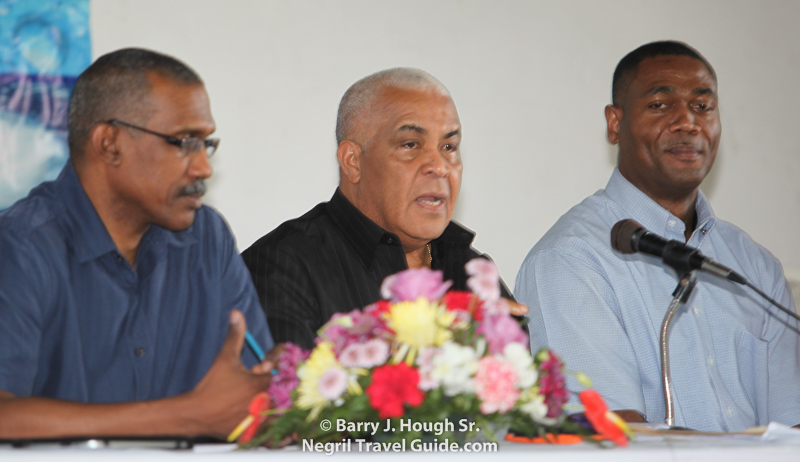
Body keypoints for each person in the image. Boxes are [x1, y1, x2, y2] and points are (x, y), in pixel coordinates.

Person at [515, 41, 800, 432]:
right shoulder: (570, 259)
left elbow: (791, 428)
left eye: (703, 106)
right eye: (660, 104)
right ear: (615, 123)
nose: (688, 122)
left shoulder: (755, 267)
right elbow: (614, 434)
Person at [0, 48, 276, 439]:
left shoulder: (206, 240)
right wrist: (185, 416)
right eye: (184, 142)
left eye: (206, 144)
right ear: (109, 144)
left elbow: (256, 393)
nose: (204, 167)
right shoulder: (21, 247)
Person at [243, 68, 525, 349]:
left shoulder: (472, 271)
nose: (439, 167)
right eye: (411, 145)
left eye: (449, 146)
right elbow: (286, 377)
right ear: (353, 161)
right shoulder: (281, 267)